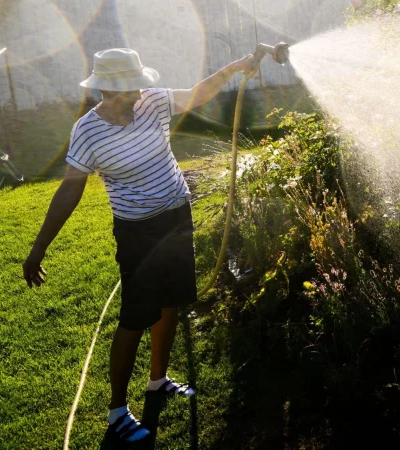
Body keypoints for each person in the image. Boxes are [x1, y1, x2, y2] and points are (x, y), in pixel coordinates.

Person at [22, 48, 259, 444]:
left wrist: (234, 68)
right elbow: (69, 190)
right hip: (137, 233)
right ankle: (117, 410)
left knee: (171, 303)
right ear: (109, 92)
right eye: (131, 89)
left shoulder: (153, 100)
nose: (139, 94)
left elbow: (197, 93)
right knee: (135, 318)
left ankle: (158, 381)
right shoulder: (88, 131)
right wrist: (38, 248)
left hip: (177, 218)